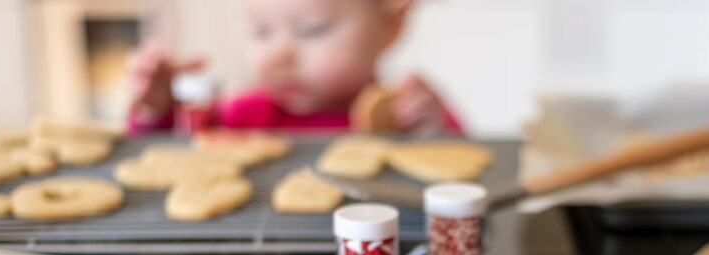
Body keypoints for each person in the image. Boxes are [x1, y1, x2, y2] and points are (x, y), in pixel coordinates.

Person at [127, 0, 461, 135]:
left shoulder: (409, 115)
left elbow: (469, 170)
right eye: (261, 31)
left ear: (391, 26)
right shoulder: (243, 117)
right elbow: (172, 158)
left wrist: (435, 135)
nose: (278, 55)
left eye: (311, 29)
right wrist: (158, 111)